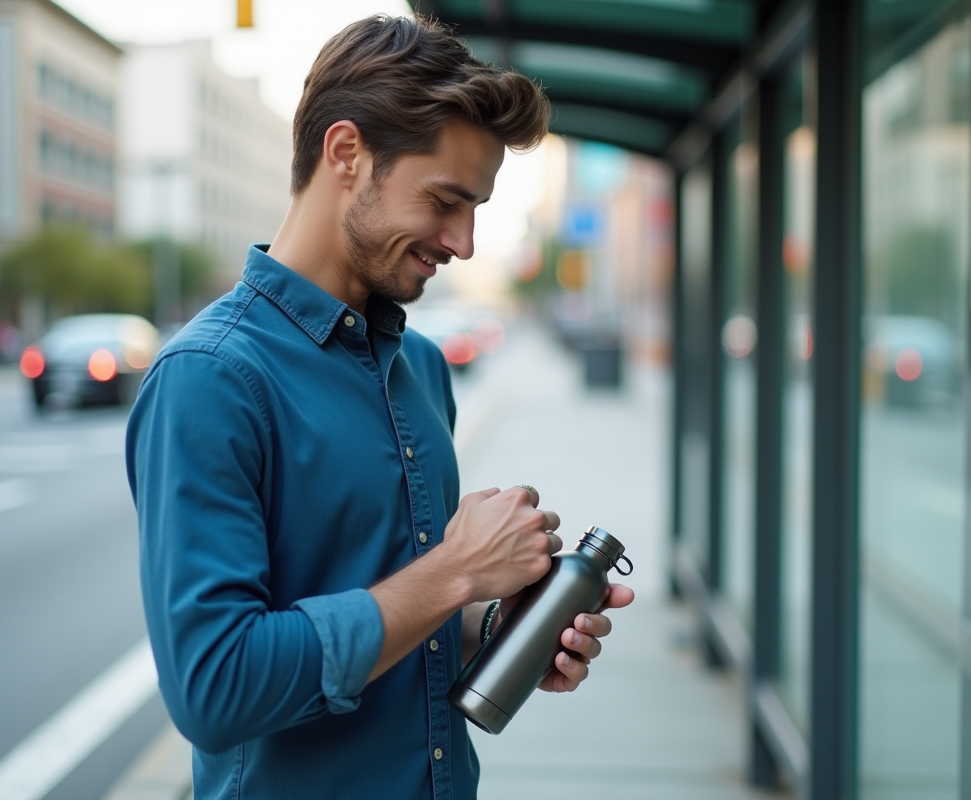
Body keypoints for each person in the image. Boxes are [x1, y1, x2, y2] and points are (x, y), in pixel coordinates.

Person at [125, 14, 633, 800]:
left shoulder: (422, 368)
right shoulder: (210, 379)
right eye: (444, 201)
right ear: (347, 154)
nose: (463, 242)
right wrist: (456, 571)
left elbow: (401, 608)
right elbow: (215, 689)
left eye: (477, 211)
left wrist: (498, 628)